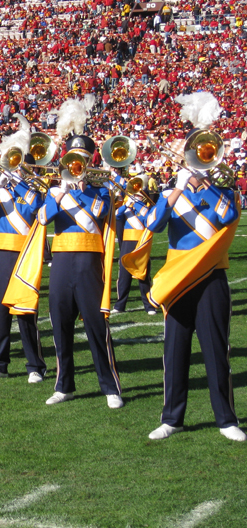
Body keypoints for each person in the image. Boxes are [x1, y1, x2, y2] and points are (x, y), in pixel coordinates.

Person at [133, 142, 244, 441]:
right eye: (195, 155)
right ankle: (172, 419)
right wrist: (178, 190)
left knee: (217, 351)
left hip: (211, 279)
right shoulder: (171, 195)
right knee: (175, 352)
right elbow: (153, 224)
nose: (199, 161)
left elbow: (229, 216)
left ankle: (226, 419)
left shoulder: (221, 192)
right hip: (178, 282)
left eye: (204, 155)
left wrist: (205, 183)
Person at [28, 135, 123, 408]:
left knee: (96, 325)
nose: (77, 162)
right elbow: (43, 218)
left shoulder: (101, 189)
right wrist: (59, 193)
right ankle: (64, 385)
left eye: (82, 157)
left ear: (90, 159)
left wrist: (74, 191)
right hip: (60, 261)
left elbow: (98, 213)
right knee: (60, 325)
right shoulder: (55, 190)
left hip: (88, 262)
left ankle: (110, 387)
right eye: (73, 156)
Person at [0, 155, 47, 382]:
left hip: (26, 253)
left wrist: (19, 183)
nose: (15, 170)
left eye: (20, 167)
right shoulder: (1, 191)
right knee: (0, 311)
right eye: (13, 167)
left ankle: (34, 366)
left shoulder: (33, 189)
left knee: (25, 310)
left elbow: (36, 206)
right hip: (4, 253)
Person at [111, 172, 155, 315]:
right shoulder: (127, 204)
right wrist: (128, 205)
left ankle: (149, 305)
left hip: (141, 242)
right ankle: (120, 305)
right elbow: (117, 214)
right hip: (128, 241)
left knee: (143, 274)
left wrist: (136, 203)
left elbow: (148, 220)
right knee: (124, 274)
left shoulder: (146, 205)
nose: (136, 194)